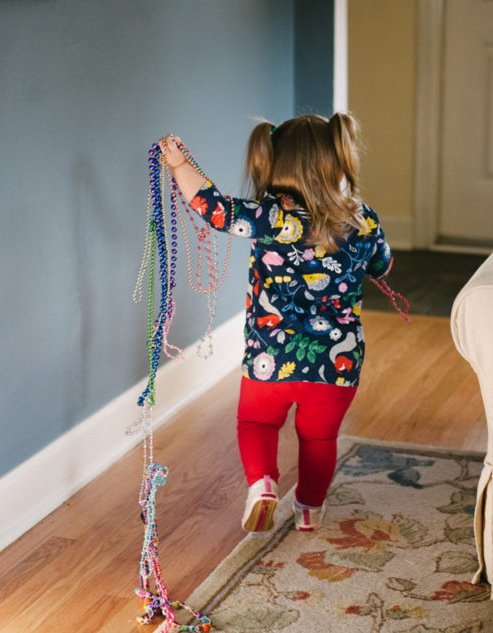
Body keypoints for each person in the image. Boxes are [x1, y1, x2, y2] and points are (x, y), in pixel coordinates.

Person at [158, 113, 394, 533]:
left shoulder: (268, 216)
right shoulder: (362, 218)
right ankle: (309, 509)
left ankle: (263, 484)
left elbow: (213, 208)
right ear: (339, 162)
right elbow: (382, 265)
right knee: (319, 439)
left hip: (271, 357)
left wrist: (179, 164)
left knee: (257, 422)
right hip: (336, 362)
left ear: (272, 163)